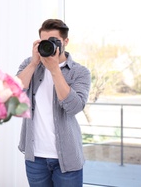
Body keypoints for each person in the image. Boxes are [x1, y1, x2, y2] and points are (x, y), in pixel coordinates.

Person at [16, 19, 91, 187]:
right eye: (45, 42)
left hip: (67, 159)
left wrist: (55, 70)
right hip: (35, 158)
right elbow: (13, 92)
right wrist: (34, 63)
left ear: (65, 41)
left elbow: (74, 107)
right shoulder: (29, 64)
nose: (49, 45)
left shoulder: (80, 72)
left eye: (54, 41)